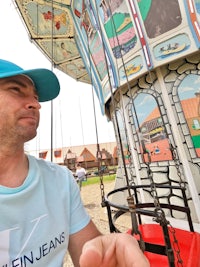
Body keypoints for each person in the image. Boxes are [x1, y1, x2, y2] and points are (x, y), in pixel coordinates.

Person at [0, 59, 149, 267]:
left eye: (35, 96)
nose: (36, 104)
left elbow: (88, 249)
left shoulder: (59, 179)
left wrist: (109, 254)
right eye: (16, 89)